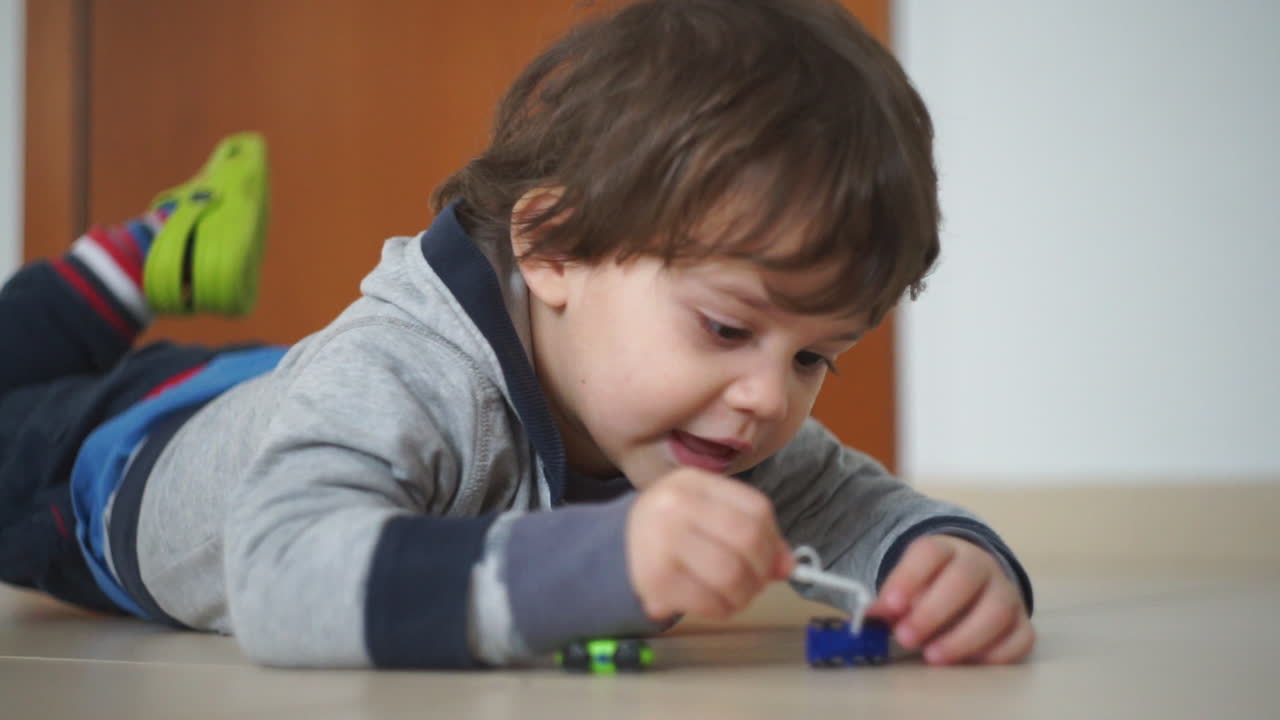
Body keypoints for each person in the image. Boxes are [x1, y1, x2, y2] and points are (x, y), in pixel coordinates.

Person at [0, 0, 1034, 669]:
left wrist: (946, 561)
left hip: (274, 391)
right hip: (106, 466)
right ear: (552, 247)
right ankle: (130, 262)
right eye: (727, 327)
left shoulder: (721, 423)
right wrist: (584, 563)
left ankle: (144, 263)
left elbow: (860, 507)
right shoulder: (405, 376)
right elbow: (274, 576)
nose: (769, 395)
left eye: (812, 356)